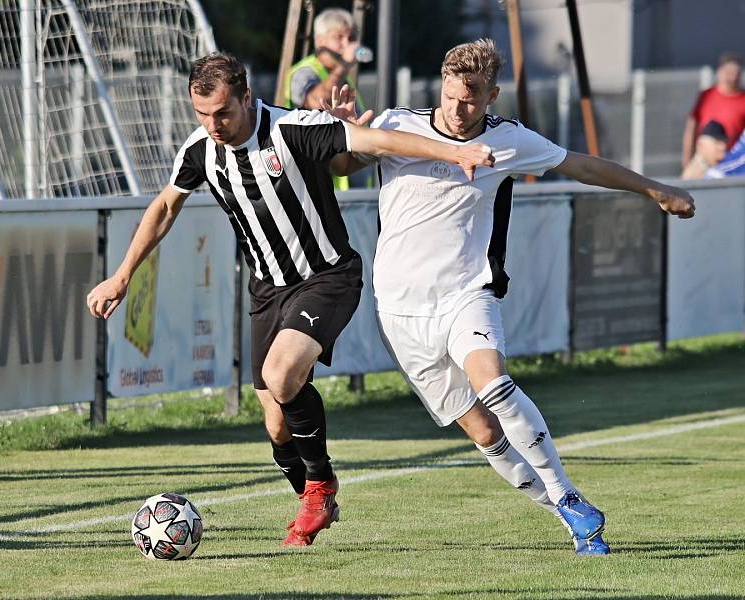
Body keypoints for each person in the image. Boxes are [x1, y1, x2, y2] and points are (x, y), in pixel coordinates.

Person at [86, 52, 494, 547]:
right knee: (277, 425)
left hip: (328, 277)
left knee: (282, 375)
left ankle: (321, 484)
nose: (213, 124)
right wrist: (122, 275)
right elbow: (166, 206)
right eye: (202, 114)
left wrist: (456, 152)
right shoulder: (200, 152)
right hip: (267, 290)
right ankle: (314, 497)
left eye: (223, 113)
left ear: (246, 98)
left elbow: (379, 141)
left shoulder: (294, 129)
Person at [327, 39, 695, 555]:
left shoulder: (510, 140)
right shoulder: (397, 124)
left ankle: (565, 492)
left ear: (492, 95)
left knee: (494, 381)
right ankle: (570, 516)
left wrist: (654, 189)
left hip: (465, 293)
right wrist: (345, 136)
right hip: (399, 311)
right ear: (442, 85)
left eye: (472, 98)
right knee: (483, 433)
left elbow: (581, 166)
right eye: (453, 95)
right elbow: (343, 167)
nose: (459, 108)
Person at [284, 7, 370, 190]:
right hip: (320, 190)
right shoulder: (304, 72)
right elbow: (314, 104)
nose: (346, 44)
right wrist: (344, 65)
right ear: (320, 41)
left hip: (352, 194)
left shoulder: (342, 78)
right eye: (339, 37)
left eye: (351, 38)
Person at [682, 53, 745, 169]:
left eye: (736, 73)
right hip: (703, 160)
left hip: (732, 163)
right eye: (729, 73)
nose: (732, 77)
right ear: (720, 72)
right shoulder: (706, 95)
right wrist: (687, 159)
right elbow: (692, 126)